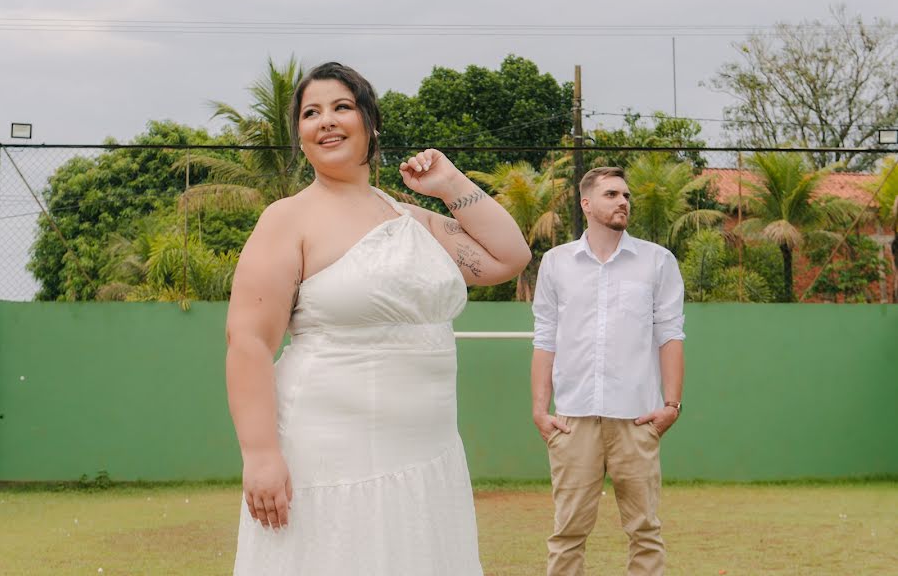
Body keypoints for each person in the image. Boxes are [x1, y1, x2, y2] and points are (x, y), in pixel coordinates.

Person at [225, 61, 531, 575]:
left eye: (342, 107)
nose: (326, 120)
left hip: (427, 456)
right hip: (327, 456)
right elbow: (249, 340)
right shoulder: (287, 220)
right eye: (310, 112)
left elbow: (509, 256)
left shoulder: (410, 219)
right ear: (299, 135)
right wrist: (260, 455)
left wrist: (449, 182)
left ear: (370, 123)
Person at [531, 166, 685, 576]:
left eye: (626, 196)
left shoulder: (657, 261)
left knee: (645, 531)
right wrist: (540, 410)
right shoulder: (556, 263)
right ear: (586, 204)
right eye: (612, 194)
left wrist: (672, 405)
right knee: (567, 533)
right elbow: (545, 337)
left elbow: (670, 334)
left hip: (636, 418)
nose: (623, 202)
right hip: (572, 420)